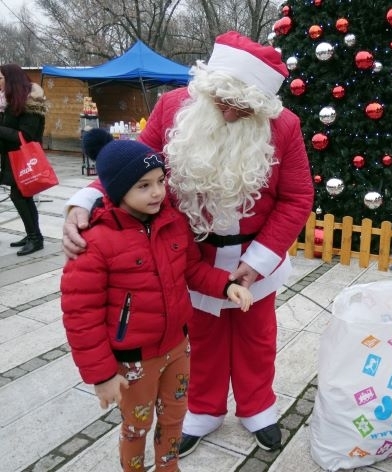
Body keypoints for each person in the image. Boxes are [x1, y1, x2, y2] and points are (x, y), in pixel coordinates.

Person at [62, 31, 314, 454]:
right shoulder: (172, 108)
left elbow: (297, 196)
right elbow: (126, 170)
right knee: (200, 337)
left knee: (258, 336)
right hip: (190, 253)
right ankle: (203, 409)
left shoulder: (284, 126)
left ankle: (257, 408)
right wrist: (84, 201)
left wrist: (259, 259)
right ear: (208, 90)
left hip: (258, 255)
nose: (232, 116)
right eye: (224, 103)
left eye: (244, 108)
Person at [61, 130, 254, 472]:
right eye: (143, 186)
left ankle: (169, 467)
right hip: (135, 360)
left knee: (174, 418)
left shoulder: (172, 223)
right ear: (118, 189)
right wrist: (102, 375)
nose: (157, 192)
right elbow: (80, 316)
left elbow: (191, 268)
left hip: (178, 347)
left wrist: (226, 286)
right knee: (137, 426)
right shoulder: (95, 242)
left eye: (160, 181)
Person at [0, 64, 47, 256]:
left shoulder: (31, 103)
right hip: (11, 158)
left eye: (1, 78)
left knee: (20, 196)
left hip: (24, 159)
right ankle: (33, 235)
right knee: (22, 196)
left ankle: (36, 238)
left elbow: (26, 136)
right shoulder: (10, 102)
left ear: (11, 80)